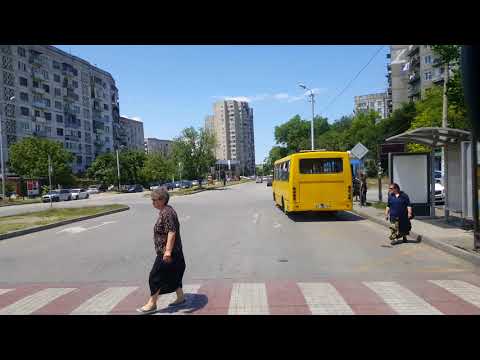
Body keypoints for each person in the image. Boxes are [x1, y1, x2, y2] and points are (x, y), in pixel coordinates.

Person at [137, 188, 186, 314]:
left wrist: (168, 251)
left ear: (162, 200)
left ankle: (152, 304)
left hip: (167, 252)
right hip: (173, 251)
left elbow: (171, 231)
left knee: (155, 276)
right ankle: (181, 297)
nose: (152, 202)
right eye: (151, 200)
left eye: (154, 200)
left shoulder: (167, 213)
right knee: (173, 274)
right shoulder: (165, 211)